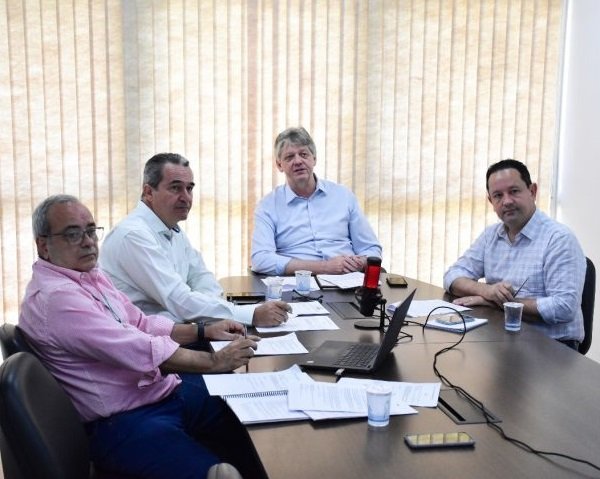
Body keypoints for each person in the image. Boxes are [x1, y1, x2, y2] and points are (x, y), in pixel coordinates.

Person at [19, 194, 268, 479]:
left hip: (156, 392)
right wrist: (214, 361)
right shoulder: (56, 298)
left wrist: (202, 330)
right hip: (122, 422)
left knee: (248, 408)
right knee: (220, 474)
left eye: (91, 231)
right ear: (43, 245)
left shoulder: (88, 275)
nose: (88, 242)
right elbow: (136, 348)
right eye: (73, 234)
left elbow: (140, 323)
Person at [100, 153, 290, 327]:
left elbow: (201, 278)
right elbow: (177, 299)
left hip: (178, 332)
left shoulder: (170, 227)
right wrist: (251, 315)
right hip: (145, 342)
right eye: (175, 188)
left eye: (189, 188)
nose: (186, 197)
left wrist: (216, 313)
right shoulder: (133, 235)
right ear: (149, 192)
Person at [443, 159, 586, 348]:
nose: (507, 201)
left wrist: (496, 302)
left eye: (514, 191)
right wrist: (487, 291)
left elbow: (564, 307)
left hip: (552, 347)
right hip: (501, 339)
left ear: (532, 191)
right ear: (491, 201)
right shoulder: (491, 236)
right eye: (498, 195)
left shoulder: (559, 239)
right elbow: (452, 276)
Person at [251, 127, 382, 275]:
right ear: (279, 165)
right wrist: (325, 267)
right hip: (298, 283)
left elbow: (371, 249)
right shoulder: (268, 205)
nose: (298, 161)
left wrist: (358, 263)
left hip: (349, 280)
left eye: (303, 154)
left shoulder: (343, 196)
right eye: (289, 157)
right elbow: (260, 259)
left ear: (314, 159)